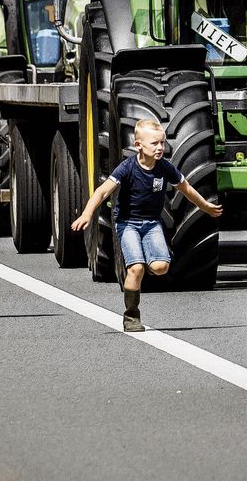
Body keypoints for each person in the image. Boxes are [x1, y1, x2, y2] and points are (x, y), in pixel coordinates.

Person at [71, 118, 222, 332]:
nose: (160, 148)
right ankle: (131, 316)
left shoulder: (164, 167)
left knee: (161, 268)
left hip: (152, 224)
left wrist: (205, 206)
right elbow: (103, 191)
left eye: (162, 143)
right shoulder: (127, 168)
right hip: (128, 223)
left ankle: (145, 262)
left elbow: (185, 188)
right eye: (155, 144)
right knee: (136, 268)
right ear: (138, 145)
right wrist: (87, 214)